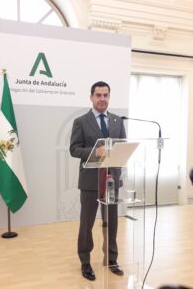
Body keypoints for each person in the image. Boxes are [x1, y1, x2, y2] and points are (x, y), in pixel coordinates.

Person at [70, 81, 126, 281]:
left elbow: (123, 146)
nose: (102, 99)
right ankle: (85, 261)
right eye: (98, 95)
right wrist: (95, 151)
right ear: (91, 97)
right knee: (87, 223)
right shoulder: (81, 122)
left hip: (112, 180)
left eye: (106, 95)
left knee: (111, 222)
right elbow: (74, 149)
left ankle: (111, 259)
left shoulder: (118, 121)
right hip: (90, 182)